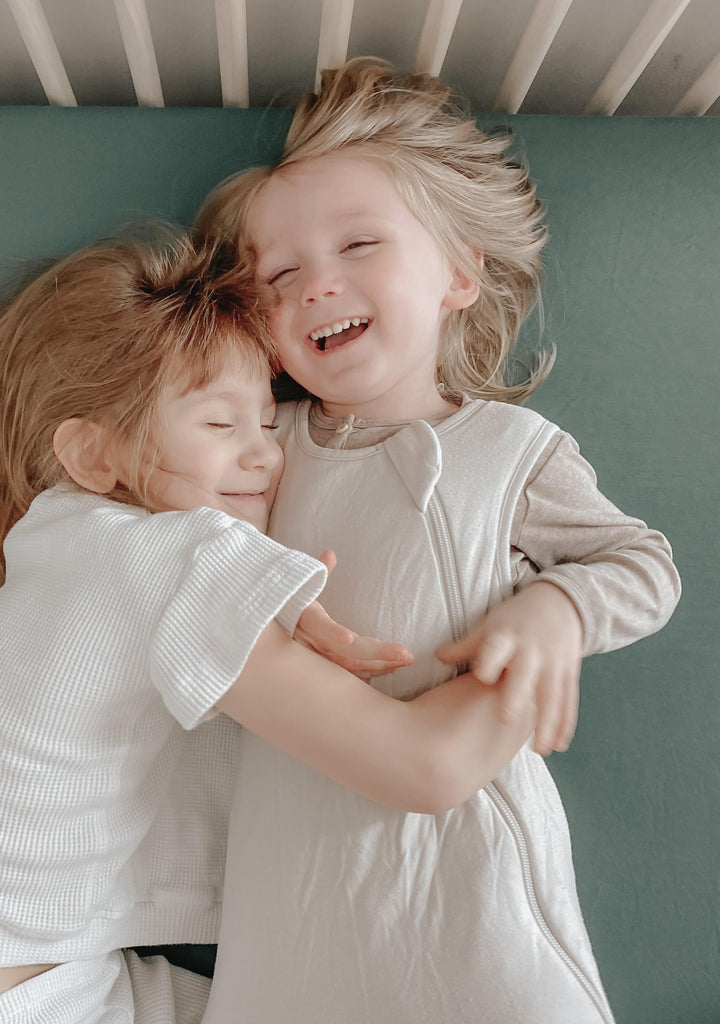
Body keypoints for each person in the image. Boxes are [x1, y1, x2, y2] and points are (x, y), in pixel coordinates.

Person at [0, 232, 538, 1024]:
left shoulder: (62, 547)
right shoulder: (166, 560)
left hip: (32, 988)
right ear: (93, 454)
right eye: (221, 426)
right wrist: (542, 629)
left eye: (269, 425)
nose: (268, 458)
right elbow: (427, 769)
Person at [195, 59, 681, 1024]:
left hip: (464, 858)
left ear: (459, 273)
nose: (314, 283)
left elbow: (642, 565)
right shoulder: (267, 447)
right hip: (290, 867)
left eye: (358, 244)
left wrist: (556, 610)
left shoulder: (506, 448)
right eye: (277, 276)